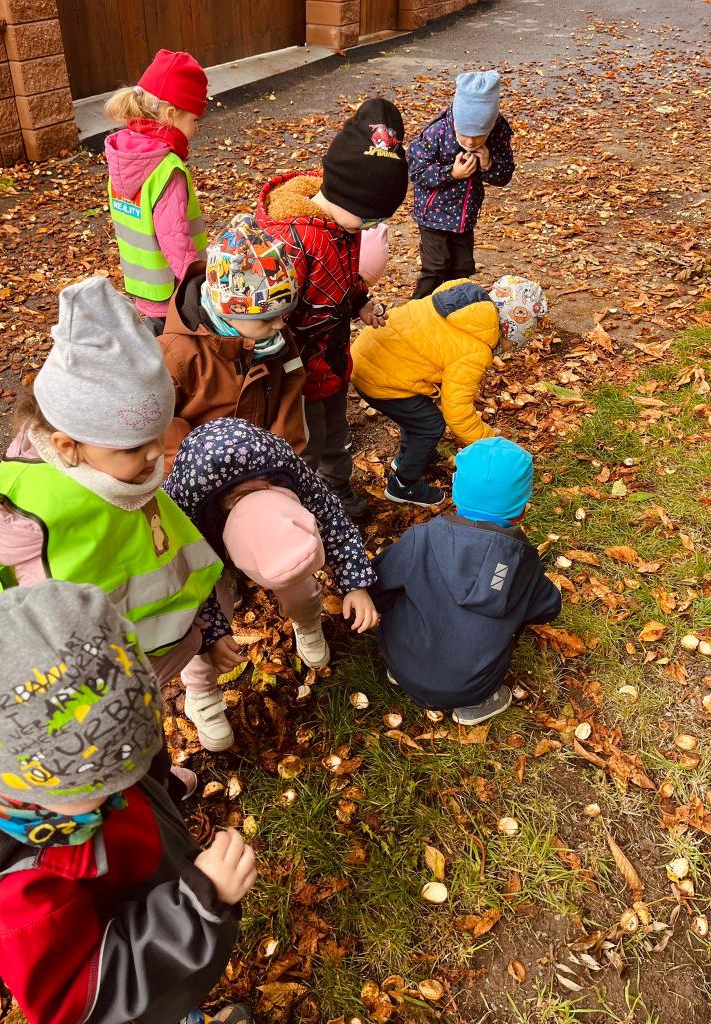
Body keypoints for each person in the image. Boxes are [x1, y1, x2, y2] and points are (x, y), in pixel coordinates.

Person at [0, 579, 256, 1024]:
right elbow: (95, 999)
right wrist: (199, 904)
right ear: (30, 791)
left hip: (146, 888)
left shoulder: (50, 773)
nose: (124, 787)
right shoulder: (13, 906)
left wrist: (158, 786)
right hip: (144, 968)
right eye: (104, 788)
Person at [0, 278, 243, 754]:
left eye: (159, 434)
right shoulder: (22, 517)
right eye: (135, 446)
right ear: (66, 445)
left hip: (159, 654)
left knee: (147, 732)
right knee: (127, 746)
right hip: (99, 693)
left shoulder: (125, 475)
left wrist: (209, 630)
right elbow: (36, 628)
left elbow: (179, 556)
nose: (155, 454)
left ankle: (158, 774)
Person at [256, 98, 409, 518]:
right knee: (307, 440)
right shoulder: (294, 240)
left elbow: (340, 278)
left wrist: (360, 301)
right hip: (298, 369)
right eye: (369, 218)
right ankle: (306, 509)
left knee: (336, 432)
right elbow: (271, 314)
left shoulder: (343, 226)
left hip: (333, 358)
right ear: (345, 193)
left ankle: (336, 489)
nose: (372, 227)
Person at [163, 418, 379, 708]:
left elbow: (332, 518)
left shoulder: (284, 467)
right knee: (204, 623)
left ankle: (307, 621)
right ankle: (201, 693)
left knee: (300, 588)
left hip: (252, 503)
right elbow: (190, 582)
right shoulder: (185, 504)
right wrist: (213, 635)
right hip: (203, 537)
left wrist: (355, 584)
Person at [370, 437, 562, 724]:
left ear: (456, 494)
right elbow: (547, 607)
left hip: (399, 660)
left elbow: (378, 582)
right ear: (522, 509)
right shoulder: (521, 561)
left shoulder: (421, 538)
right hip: (469, 687)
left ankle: (405, 674)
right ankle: (476, 705)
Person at [351, 276, 547, 507]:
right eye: (509, 344)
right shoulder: (474, 351)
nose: (505, 349)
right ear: (509, 329)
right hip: (378, 377)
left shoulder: (460, 306)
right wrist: (491, 443)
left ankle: (407, 457)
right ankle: (403, 485)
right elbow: (458, 413)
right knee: (430, 425)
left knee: (418, 413)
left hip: (369, 354)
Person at [159, 213, 306, 472]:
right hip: (203, 476)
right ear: (227, 312)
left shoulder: (274, 340)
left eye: (282, 315)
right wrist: (204, 468)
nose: (280, 325)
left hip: (266, 466)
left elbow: (290, 394)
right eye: (267, 318)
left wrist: (282, 461)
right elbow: (161, 425)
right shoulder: (175, 355)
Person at [105, 49, 210, 335]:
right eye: (194, 120)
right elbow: (174, 238)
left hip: (143, 282)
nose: (196, 128)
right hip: (174, 289)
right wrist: (199, 283)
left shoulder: (125, 156)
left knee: (156, 338)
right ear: (172, 114)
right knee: (177, 349)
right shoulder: (166, 169)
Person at [409, 70, 515, 300]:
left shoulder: (498, 133)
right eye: (464, 134)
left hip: (464, 218)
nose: (470, 142)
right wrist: (451, 173)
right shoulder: (437, 132)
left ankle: (453, 308)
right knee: (436, 266)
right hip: (433, 215)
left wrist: (488, 164)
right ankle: (415, 310)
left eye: (478, 136)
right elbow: (416, 171)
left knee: (462, 268)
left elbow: (504, 176)